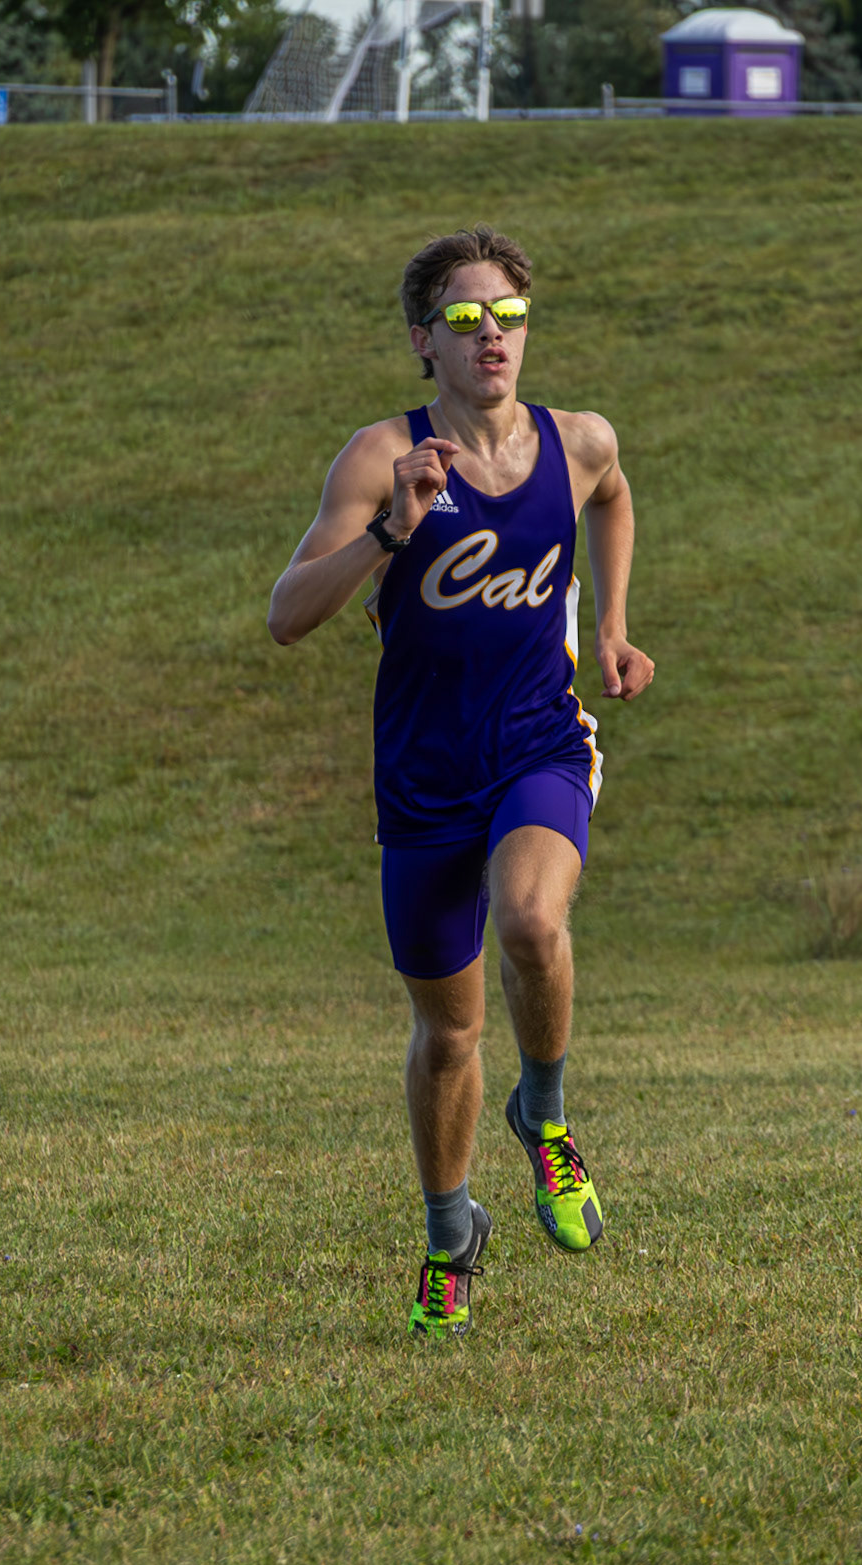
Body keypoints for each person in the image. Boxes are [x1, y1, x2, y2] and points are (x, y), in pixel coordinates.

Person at [268, 226, 654, 1339]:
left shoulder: (577, 441)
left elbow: (615, 495)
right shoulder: (378, 455)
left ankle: (548, 1115)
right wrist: (392, 527)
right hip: (425, 779)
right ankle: (451, 1232)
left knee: (534, 920)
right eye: (468, 318)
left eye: (511, 317)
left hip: (538, 742)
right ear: (422, 342)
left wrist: (616, 627)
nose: (494, 336)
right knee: (448, 1033)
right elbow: (289, 616)